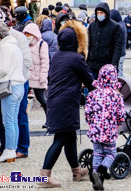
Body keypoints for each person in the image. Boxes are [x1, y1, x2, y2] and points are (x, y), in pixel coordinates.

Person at [39, 20, 94, 187]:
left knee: (69, 137)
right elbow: (90, 81)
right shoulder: (77, 58)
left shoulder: (56, 56)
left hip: (55, 100)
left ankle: (77, 171)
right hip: (67, 104)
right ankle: (44, 176)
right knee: (60, 138)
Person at [0, 20, 32, 161]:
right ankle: (11, 150)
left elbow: (3, 68)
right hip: (18, 85)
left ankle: (9, 151)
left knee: (8, 122)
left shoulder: (6, 46)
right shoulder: (14, 45)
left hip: (10, 86)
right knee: (12, 121)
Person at [85, 64, 126, 190]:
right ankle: (102, 170)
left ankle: (95, 175)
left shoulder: (92, 94)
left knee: (97, 152)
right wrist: (117, 124)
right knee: (111, 153)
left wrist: (91, 123)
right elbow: (121, 115)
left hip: (95, 130)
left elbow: (88, 113)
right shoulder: (117, 96)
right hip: (109, 130)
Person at [22, 23, 50, 128]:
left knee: (42, 99)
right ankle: (23, 120)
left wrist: (43, 77)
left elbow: (45, 62)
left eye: (29, 33)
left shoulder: (42, 44)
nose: (27, 36)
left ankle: (49, 120)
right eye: (25, 33)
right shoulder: (24, 44)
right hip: (26, 76)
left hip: (38, 77)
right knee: (22, 99)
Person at [87, 3, 123, 79]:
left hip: (106, 65)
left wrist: (113, 65)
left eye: (101, 13)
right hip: (92, 64)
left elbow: (117, 47)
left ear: (106, 13)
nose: (99, 15)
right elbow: (89, 43)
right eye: (98, 13)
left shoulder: (114, 26)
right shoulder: (92, 25)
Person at [110, 9, 127, 78]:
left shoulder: (118, 26)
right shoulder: (122, 24)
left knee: (119, 75)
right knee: (120, 71)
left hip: (119, 53)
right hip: (122, 52)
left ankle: (121, 87)